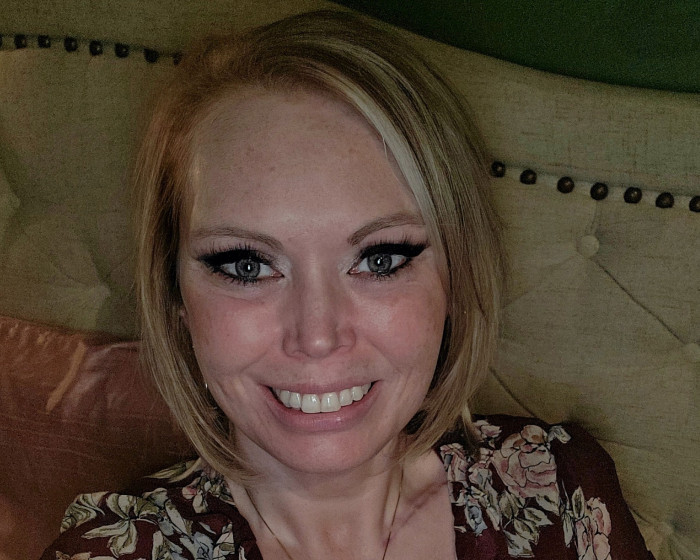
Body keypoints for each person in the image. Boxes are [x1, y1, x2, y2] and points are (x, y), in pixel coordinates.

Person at [42, 10, 653, 560]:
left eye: (380, 260)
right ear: (175, 297)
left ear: (455, 275)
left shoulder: (560, 491)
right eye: (247, 266)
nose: (317, 336)